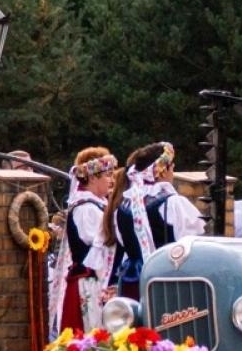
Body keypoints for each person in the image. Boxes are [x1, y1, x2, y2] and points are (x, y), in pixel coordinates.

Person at [101, 142, 205, 299]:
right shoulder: (174, 204)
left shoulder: (121, 207)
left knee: (136, 322)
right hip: (166, 278)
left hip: (132, 280)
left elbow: (123, 244)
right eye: (172, 168)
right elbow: (194, 246)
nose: (172, 173)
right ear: (162, 172)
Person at [50, 147, 116, 337]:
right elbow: (100, 251)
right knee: (91, 338)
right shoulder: (87, 209)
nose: (111, 180)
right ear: (93, 177)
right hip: (88, 283)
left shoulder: (96, 205)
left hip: (92, 282)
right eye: (107, 175)